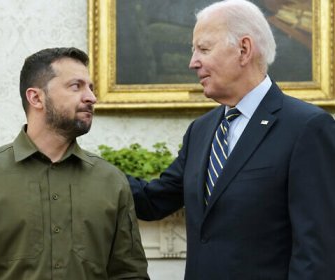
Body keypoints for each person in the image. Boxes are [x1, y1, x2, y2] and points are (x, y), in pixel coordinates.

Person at [127, 0, 335, 279]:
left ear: (244, 49)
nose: (193, 62)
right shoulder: (200, 131)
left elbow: (317, 253)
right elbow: (154, 201)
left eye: (203, 49)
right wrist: (83, 166)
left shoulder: (307, 127)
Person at [0, 47, 149, 280]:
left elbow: (130, 274)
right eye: (76, 86)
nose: (91, 97)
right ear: (36, 98)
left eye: (91, 88)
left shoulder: (111, 181)